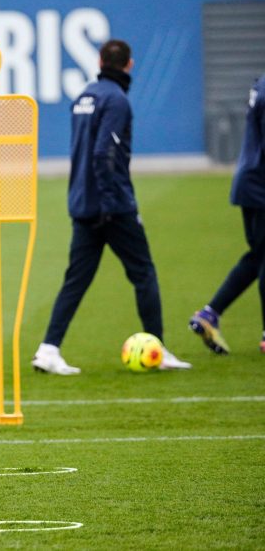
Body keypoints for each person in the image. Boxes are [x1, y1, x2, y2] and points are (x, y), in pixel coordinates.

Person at [31, 39, 191, 375]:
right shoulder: (117, 100)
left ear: (101, 60)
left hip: (82, 203)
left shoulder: (84, 97)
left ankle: (48, 349)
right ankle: (157, 349)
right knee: (143, 273)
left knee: (76, 279)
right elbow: (104, 153)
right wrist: (110, 203)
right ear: (129, 64)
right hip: (112, 206)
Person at [189, 73, 265, 354]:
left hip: (250, 181)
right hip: (259, 184)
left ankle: (209, 314)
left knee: (258, 255)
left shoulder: (261, 83)